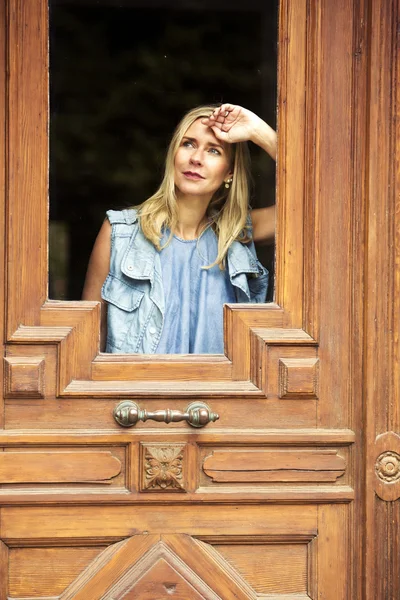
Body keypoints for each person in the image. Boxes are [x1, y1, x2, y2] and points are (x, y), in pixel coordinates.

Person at [82, 103, 277, 354]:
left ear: (229, 172)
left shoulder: (237, 235)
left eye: (214, 151)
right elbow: (86, 345)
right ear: (173, 154)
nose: (196, 159)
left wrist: (258, 131)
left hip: (218, 393)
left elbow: (319, 203)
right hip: (135, 392)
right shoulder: (120, 233)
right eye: (188, 144)